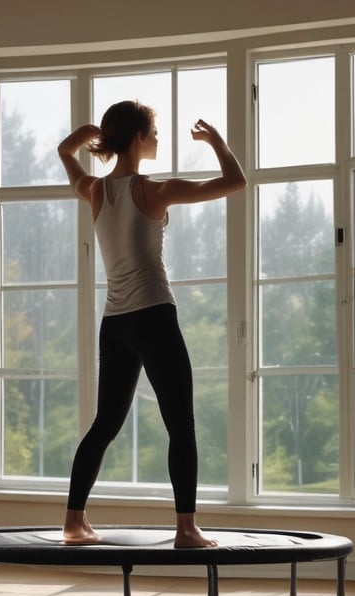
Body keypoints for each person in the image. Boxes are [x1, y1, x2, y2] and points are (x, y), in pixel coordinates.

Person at [57, 100, 246, 548]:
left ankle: (73, 523)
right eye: (154, 131)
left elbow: (65, 153)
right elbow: (235, 181)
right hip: (154, 316)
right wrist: (217, 142)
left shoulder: (94, 190)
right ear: (139, 137)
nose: (158, 138)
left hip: (115, 324)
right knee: (181, 425)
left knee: (104, 425)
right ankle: (186, 529)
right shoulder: (154, 191)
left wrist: (81, 139)